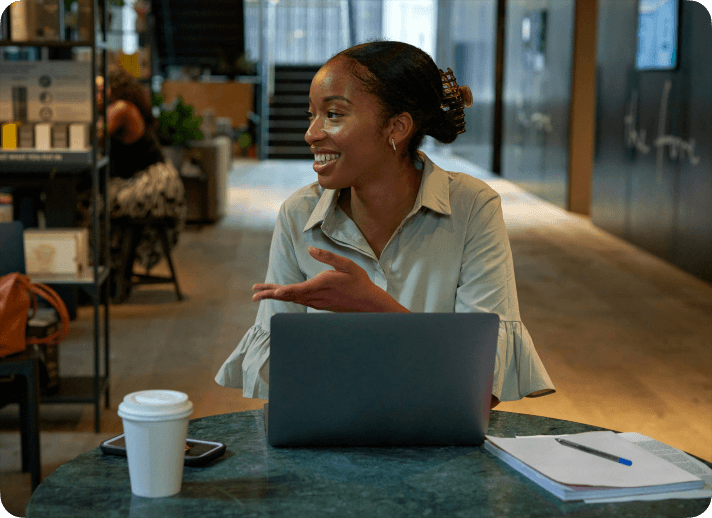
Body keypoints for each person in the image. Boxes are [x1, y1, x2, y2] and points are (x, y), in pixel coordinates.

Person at [215, 41, 555, 409]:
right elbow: (279, 383)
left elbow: (484, 386)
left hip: (439, 448)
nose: (311, 133)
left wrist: (374, 307)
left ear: (396, 127)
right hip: (328, 442)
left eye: (333, 114)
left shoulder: (472, 207)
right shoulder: (298, 215)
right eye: (310, 114)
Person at [78, 68, 186, 301]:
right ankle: (110, 275)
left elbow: (90, 138)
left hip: (153, 185)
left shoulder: (120, 109)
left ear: (114, 89)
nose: (95, 95)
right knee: (95, 199)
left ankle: (99, 277)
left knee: (93, 204)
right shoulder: (120, 107)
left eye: (99, 90)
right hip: (147, 180)